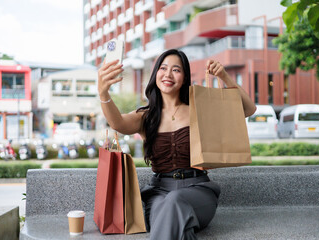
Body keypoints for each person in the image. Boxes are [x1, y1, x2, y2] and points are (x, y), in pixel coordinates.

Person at [97, 49, 256, 240]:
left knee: (173, 204)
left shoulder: (200, 109)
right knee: (179, 227)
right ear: (156, 73)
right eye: (163, 68)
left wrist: (224, 76)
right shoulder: (146, 117)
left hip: (199, 191)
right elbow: (118, 123)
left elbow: (248, 109)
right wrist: (103, 92)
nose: (168, 74)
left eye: (176, 70)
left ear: (185, 77)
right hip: (158, 193)